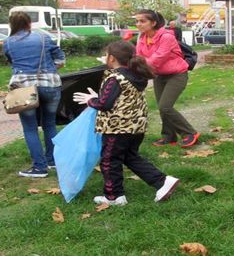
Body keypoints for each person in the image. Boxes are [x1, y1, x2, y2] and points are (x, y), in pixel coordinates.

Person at [73, 41, 180, 206]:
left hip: (118, 128)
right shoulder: (136, 75)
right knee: (129, 157)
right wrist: (99, 96)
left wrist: (91, 100)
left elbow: (104, 104)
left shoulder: (114, 77)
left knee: (109, 160)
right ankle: (162, 182)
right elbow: (119, 98)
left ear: (112, 58)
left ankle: (113, 196)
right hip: (136, 126)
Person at [4, 12, 65, 178]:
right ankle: (52, 160)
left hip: (24, 89)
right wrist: (49, 69)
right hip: (51, 85)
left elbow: (12, 62)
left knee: (30, 127)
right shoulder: (44, 38)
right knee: (50, 124)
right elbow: (60, 60)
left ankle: (39, 167)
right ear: (29, 23)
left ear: (11, 24)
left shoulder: (9, 42)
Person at [135, 9, 200, 148]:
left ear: (153, 23)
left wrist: (136, 65)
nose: (138, 24)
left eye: (142, 21)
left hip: (177, 74)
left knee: (165, 106)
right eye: (137, 21)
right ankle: (169, 136)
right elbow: (138, 57)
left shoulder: (166, 37)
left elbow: (156, 59)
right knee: (161, 107)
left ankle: (189, 133)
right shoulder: (142, 38)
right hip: (159, 75)